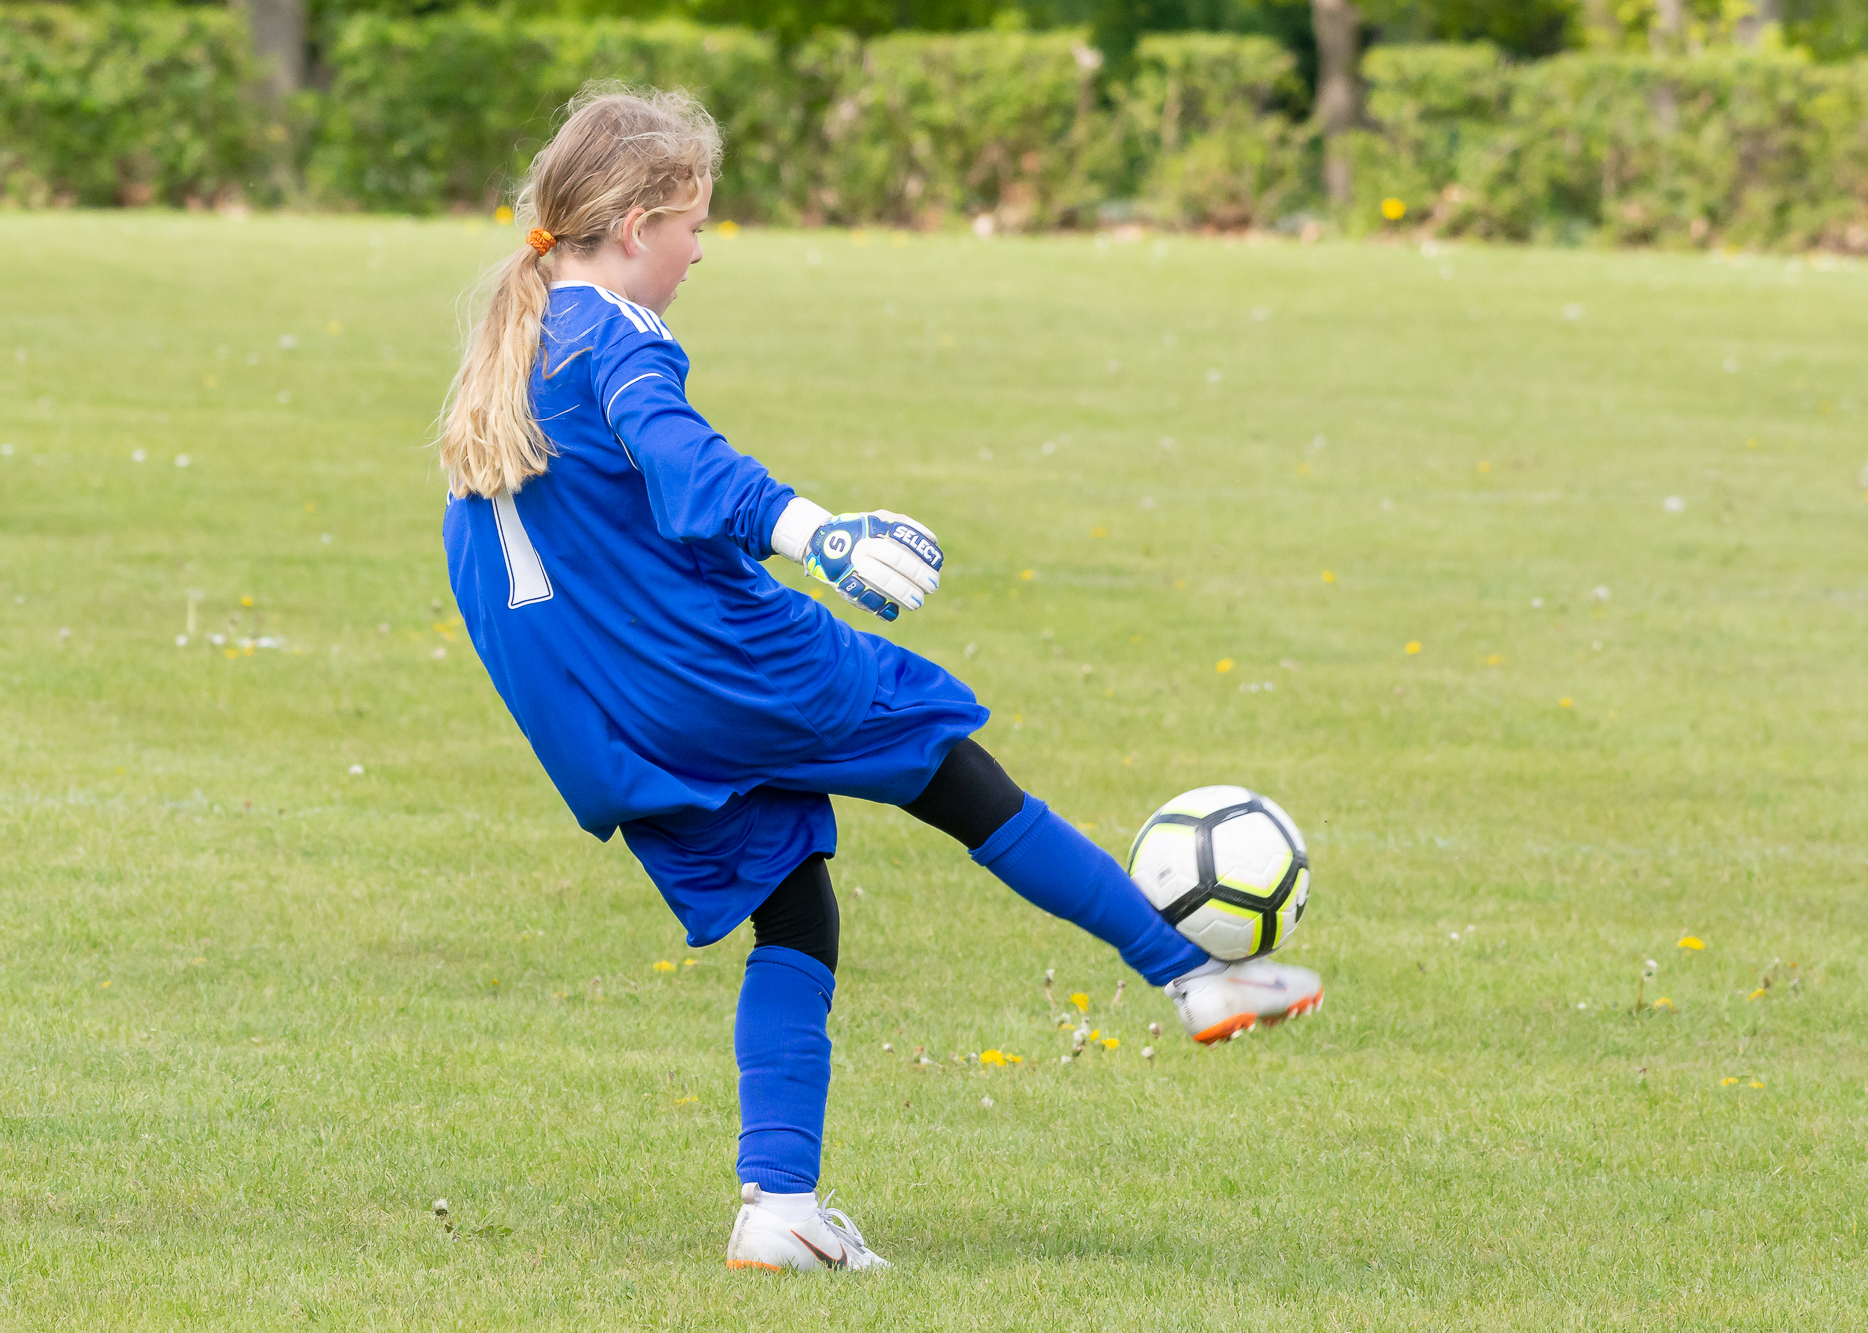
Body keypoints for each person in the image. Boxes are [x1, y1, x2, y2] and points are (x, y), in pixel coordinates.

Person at [436, 87, 1323, 1274]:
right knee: (950, 766)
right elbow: (684, 459)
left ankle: (780, 1208)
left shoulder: (515, 344)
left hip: (607, 724)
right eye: (694, 224)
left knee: (794, 907)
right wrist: (818, 532)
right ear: (639, 225)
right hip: (724, 670)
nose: (701, 250)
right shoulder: (617, 339)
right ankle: (1193, 977)